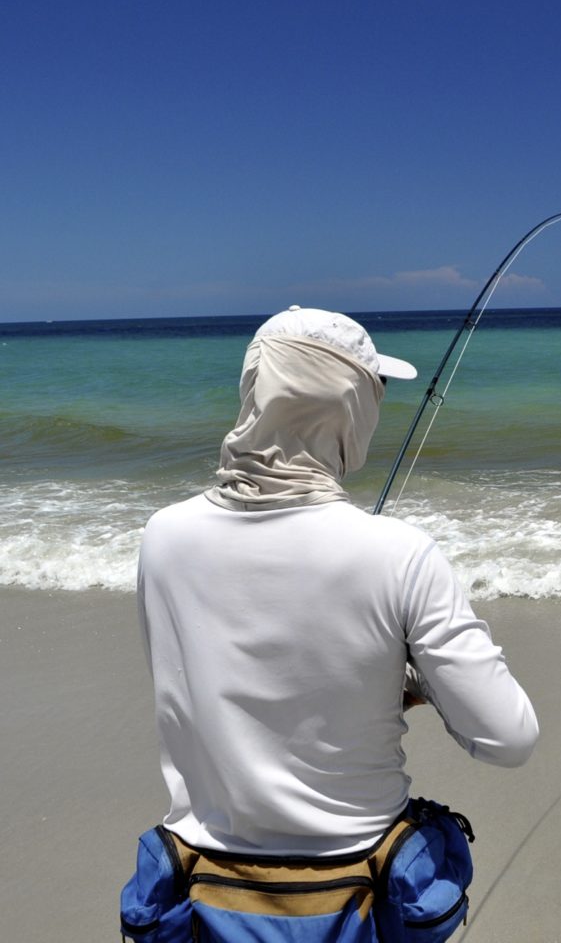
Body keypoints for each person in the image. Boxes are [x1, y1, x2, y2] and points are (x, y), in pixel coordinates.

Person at [136, 305, 539, 864]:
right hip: (353, 885)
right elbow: (508, 738)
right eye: (376, 391)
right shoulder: (399, 553)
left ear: (253, 389)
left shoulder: (163, 537)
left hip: (203, 883)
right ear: (351, 409)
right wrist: (409, 679)